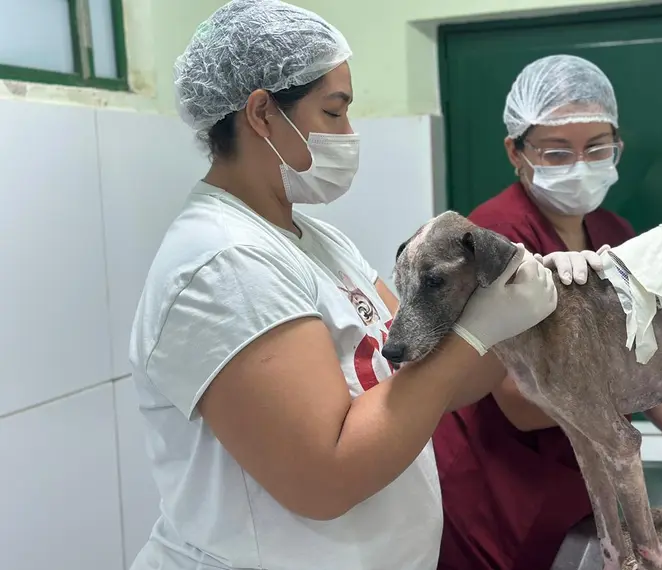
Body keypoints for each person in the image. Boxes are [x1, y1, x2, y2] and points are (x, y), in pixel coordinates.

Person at [126, 3, 604, 570]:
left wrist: (520, 308)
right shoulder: (225, 263)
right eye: (334, 111)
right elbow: (324, 478)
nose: (349, 134)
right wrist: (477, 334)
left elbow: (432, 380)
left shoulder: (318, 241)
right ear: (260, 114)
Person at [433, 54, 662, 570]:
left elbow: (650, 360)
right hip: (503, 489)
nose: (581, 165)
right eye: (557, 151)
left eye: (597, 147)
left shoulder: (616, 235)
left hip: (584, 483)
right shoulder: (497, 241)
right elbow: (521, 397)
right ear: (516, 150)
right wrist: (618, 387)